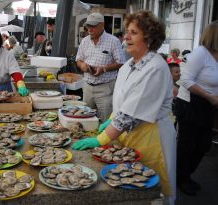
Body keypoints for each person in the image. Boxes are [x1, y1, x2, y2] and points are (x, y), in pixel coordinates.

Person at [73, 10, 176, 204]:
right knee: (129, 186)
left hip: (152, 137)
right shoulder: (129, 65)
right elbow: (122, 103)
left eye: (134, 32)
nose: (126, 36)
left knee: (151, 192)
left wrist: (100, 139)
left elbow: (130, 115)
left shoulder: (155, 67)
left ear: (149, 37)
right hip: (130, 136)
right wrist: (111, 119)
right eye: (127, 31)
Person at [175, 20, 218, 196]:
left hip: (208, 105)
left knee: (203, 144)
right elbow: (184, 80)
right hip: (191, 104)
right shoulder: (200, 54)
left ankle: (185, 174)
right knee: (188, 145)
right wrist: (209, 96)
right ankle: (180, 178)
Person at [75, 13, 125, 122]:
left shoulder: (113, 41)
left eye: (93, 26)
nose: (90, 29)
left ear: (102, 25)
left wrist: (104, 69)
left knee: (106, 121)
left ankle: (104, 139)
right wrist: (82, 65)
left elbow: (121, 62)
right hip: (87, 87)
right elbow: (78, 59)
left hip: (105, 88)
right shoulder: (85, 41)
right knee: (85, 119)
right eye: (88, 26)